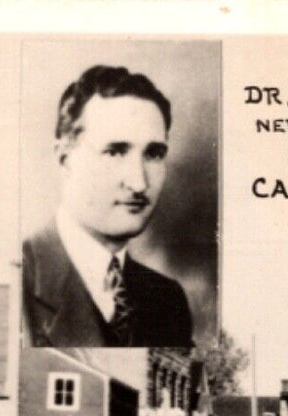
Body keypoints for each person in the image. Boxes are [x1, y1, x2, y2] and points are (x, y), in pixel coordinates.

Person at [22, 65, 193, 348]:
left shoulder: (167, 301)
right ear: (65, 158)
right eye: (115, 151)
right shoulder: (17, 280)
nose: (139, 183)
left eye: (153, 154)